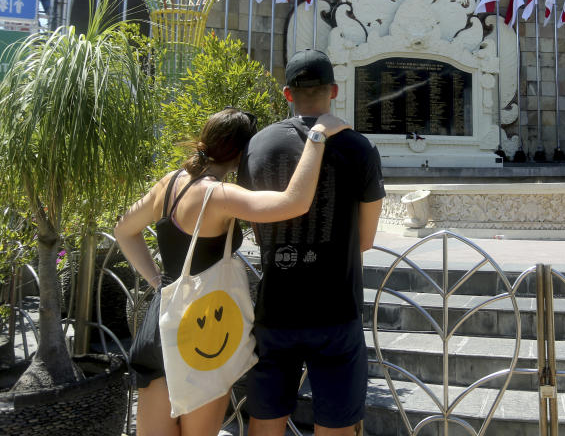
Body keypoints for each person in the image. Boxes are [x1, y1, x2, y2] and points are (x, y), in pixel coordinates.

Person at [115, 107, 349, 436]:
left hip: (160, 322)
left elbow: (124, 230)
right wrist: (317, 135)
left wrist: (158, 281)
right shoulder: (219, 195)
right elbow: (294, 202)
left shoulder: (170, 184)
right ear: (243, 153)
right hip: (203, 332)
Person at [238, 50, 385, 436]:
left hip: (276, 309)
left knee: (264, 421)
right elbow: (365, 240)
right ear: (334, 90)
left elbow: (257, 226)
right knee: (337, 426)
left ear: (287, 94)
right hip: (336, 310)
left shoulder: (257, 146)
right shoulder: (359, 148)